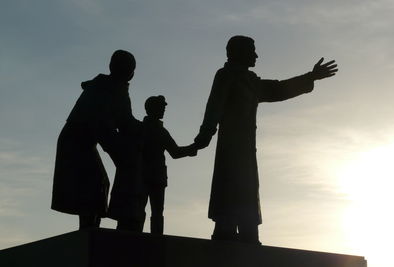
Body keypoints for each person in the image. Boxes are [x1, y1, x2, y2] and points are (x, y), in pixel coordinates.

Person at [194, 35, 338, 244]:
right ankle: (225, 237)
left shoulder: (252, 81)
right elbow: (213, 108)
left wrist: (311, 77)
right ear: (239, 52)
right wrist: (203, 137)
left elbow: (278, 90)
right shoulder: (225, 75)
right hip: (230, 149)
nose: (256, 55)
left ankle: (249, 239)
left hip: (246, 151)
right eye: (252, 50)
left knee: (248, 197)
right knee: (229, 194)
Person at [51, 50, 138, 229]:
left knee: (98, 182)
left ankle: (91, 229)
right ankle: (88, 231)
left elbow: (125, 121)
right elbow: (105, 126)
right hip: (76, 141)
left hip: (82, 140)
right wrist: (121, 156)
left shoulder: (112, 87)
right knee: (93, 182)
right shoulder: (108, 88)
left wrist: (143, 129)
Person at [139, 95, 197, 234]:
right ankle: (154, 239)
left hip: (146, 175)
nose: (164, 110)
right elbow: (175, 152)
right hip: (152, 175)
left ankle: (145, 238)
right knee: (154, 210)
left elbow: (175, 152)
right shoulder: (158, 131)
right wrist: (191, 149)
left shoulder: (141, 128)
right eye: (161, 107)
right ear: (153, 108)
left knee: (146, 209)